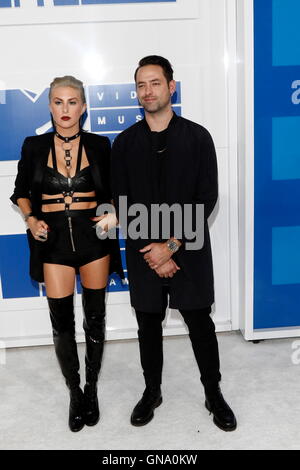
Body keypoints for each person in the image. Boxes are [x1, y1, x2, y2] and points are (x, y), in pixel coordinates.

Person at [111, 56, 237, 432]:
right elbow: (121, 200)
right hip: (144, 250)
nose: (147, 91)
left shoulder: (198, 137)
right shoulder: (125, 142)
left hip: (190, 248)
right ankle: (152, 392)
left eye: (154, 82)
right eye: (141, 85)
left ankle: (213, 393)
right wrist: (154, 249)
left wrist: (173, 244)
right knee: (147, 324)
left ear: (171, 86)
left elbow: (207, 196)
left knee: (200, 322)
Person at [10, 76, 123, 432]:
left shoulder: (101, 145)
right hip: (54, 244)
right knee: (62, 325)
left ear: (84, 106)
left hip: (93, 243)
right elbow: (20, 192)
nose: (65, 110)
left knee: (95, 319)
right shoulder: (32, 146)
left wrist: (112, 212)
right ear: (49, 106)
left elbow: (117, 192)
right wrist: (30, 219)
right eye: (58, 102)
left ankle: (91, 390)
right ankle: (74, 392)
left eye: (72, 102)